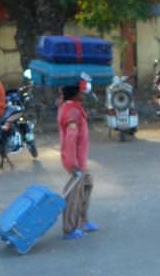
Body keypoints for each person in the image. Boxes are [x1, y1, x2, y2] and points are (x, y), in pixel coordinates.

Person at [57, 83, 98, 240]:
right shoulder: (72, 111)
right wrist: (73, 164)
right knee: (74, 194)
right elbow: (70, 139)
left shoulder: (72, 106)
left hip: (81, 161)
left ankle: (82, 221)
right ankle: (69, 229)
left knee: (87, 185)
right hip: (76, 162)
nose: (83, 94)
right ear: (74, 94)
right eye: (80, 92)